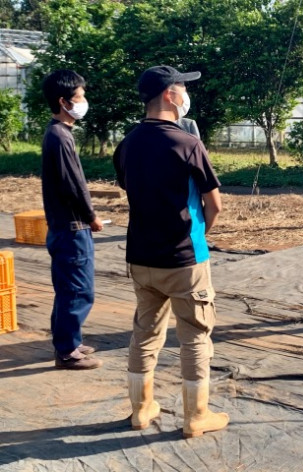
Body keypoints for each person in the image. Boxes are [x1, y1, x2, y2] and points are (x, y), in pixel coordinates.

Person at [113, 65, 228, 438]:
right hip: (183, 259)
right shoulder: (187, 143)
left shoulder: (127, 144)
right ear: (169, 94)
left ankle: (140, 409)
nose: (185, 95)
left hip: (141, 257)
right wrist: (200, 235)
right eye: (182, 87)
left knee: (145, 332)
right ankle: (196, 416)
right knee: (194, 335)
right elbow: (214, 205)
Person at [41, 69, 104, 370]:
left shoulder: (58, 133)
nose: (84, 101)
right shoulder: (59, 137)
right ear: (64, 102)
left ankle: (69, 341)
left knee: (68, 288)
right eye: (80, 96)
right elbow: (73, 185)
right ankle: (66, 352)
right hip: (72, 228)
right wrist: (91, 217)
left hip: (64, 227)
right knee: (78, 290)